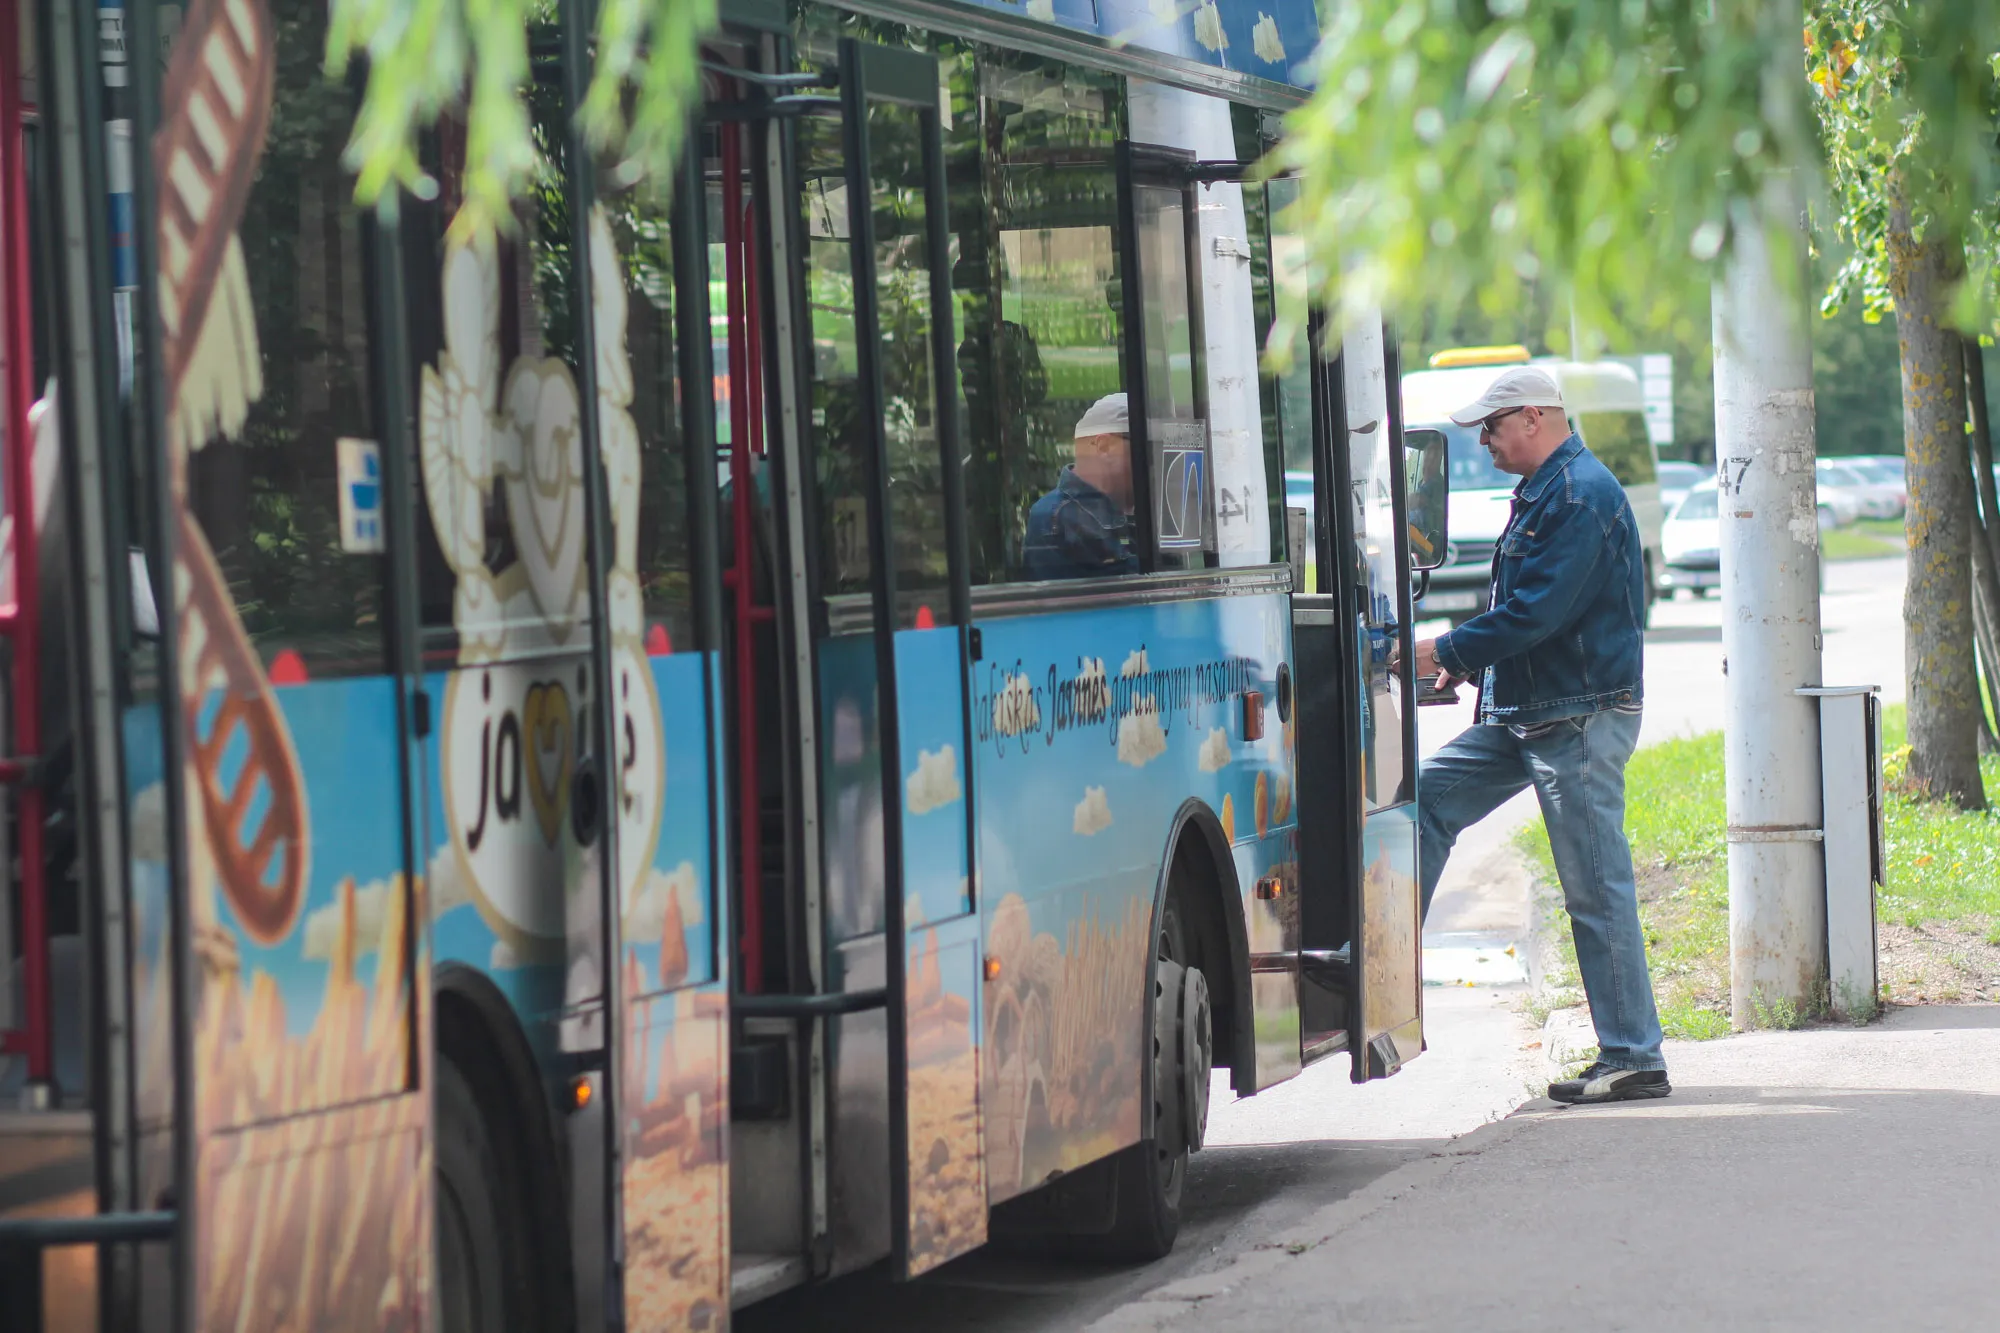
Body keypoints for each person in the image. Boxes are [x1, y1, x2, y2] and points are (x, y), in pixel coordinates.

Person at [1407, 366, 1669, 1106]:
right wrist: (1471, 673)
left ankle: (1633, 1055)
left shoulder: (1581, 495)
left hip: (1578, 714)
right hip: (1533, 710)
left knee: (1595, 883)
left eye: (1490, 428)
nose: (1484, 442)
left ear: (1531, 417)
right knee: (1424, 799)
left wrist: (1445, 651)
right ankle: (1389, 968)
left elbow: (1536, 613)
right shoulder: (1550, 490)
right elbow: (1529, 613)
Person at [1023, 392, 1140, 580]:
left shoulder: (1140, 508)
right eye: (1145, 447)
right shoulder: (1057, 517)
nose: (1154, 462)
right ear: (1104, 447)